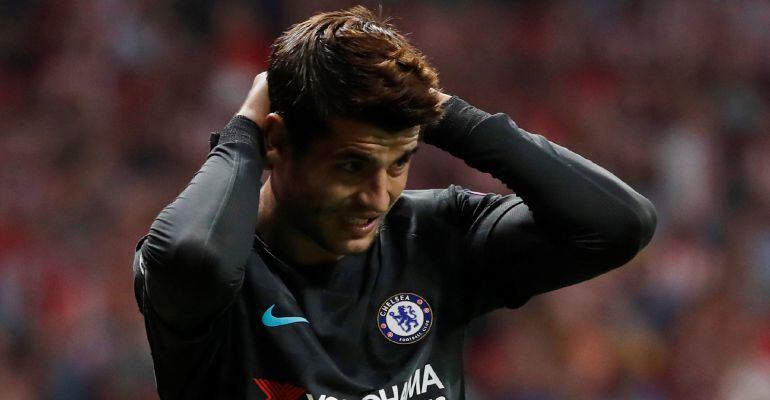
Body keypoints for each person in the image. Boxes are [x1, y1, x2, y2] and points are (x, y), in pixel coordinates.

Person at [132, 6, 656, 400]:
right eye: (351, 165)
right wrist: (242, 132)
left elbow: (617, 224)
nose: (378, 196)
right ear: (279, 142)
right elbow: (191, 257)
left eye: (399, 162)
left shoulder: (434, 234)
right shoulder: (216, 274)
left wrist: (448, 114)